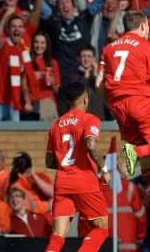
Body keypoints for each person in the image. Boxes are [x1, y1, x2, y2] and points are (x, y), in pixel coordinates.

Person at [97, 10, 150, 209]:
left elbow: (98, 84)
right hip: (141, 104)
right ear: (144, 25)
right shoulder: (147, 47)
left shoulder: (108, 49)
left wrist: (112, 105)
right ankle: (135, 151)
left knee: (145, 161)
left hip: (119, 108)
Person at [44, 81, 109, 252]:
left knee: (58, 234)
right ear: (86, 99)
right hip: (84, 181)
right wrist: (104, 169)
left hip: (62, 183)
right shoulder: (89, 119)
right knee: (101, 228)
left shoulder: (56, 125)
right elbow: (91, 145)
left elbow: (49, 162)